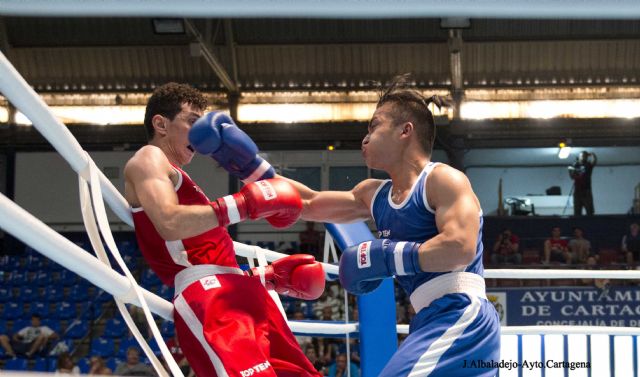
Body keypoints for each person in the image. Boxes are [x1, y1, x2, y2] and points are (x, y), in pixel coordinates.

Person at [190, 74, 499, 376]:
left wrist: (384, 256)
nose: (365, 137)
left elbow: (460, 248)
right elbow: (307, 203)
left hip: (461, 313)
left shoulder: (442, 179)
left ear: (406, 131)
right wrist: (248, 164)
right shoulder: (373, 194)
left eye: (375, 126)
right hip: (428, 319)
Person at [124, 82, 325, 377]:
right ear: (161, 124)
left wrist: (260, 277)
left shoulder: (182, 178)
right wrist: (244, 204)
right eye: (192, 121)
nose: (198, 133)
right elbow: (168, 223)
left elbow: (204, 247)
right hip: (211, 296)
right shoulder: (148, 158)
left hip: (238, 288)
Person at [568, 151, 597, 216]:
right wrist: (571, 171)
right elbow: (572, 176)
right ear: (579, 157)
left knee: (589, 211)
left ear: (586, 157)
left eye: (584, 156)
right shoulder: (575, 165)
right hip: (577, 191)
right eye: (581, 156)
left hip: (586, 191)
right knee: (577, 212)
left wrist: (592, 154)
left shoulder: (588, 165)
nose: (582, 157)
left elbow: (594, 162)